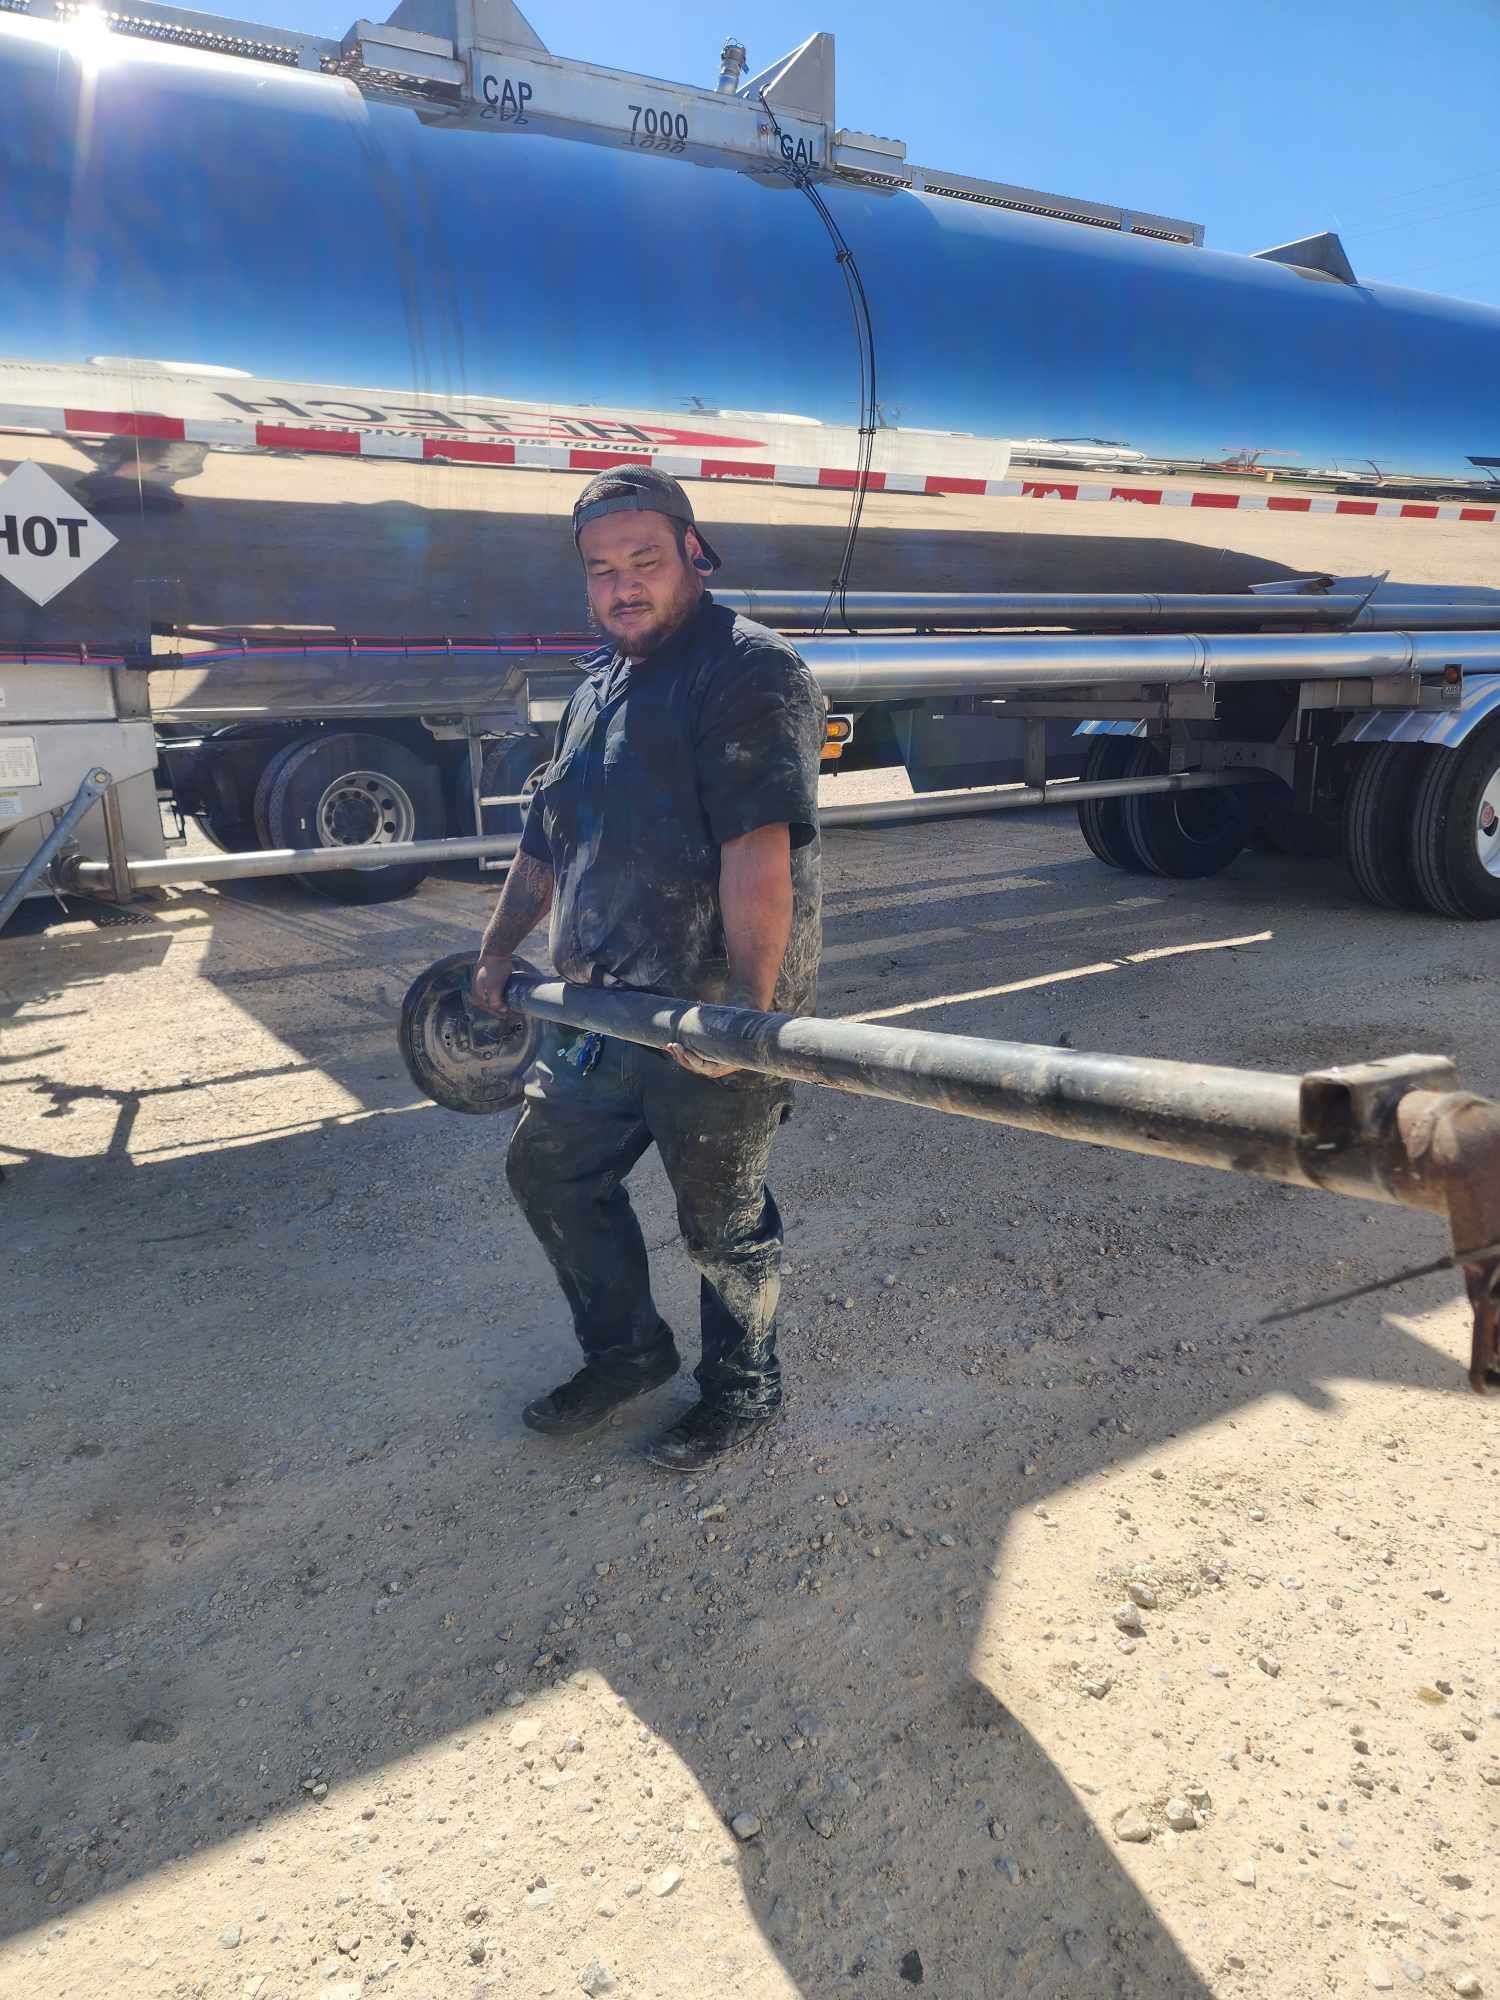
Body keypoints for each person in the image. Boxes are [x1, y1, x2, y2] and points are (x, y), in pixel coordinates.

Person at [472, 467, 825, 1472]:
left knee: (719, 1219)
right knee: (548, 1169)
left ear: (692, 555)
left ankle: (743, 1389)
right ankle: (627, 1351)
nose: (624, 586)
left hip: (710, 1005)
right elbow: (545, 842)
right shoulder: (595, 685)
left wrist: (746, 1018)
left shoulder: (748, 668)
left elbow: (757, 847)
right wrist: (499, 950)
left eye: (645, 562)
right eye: (602, 570)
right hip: (600, 1006)